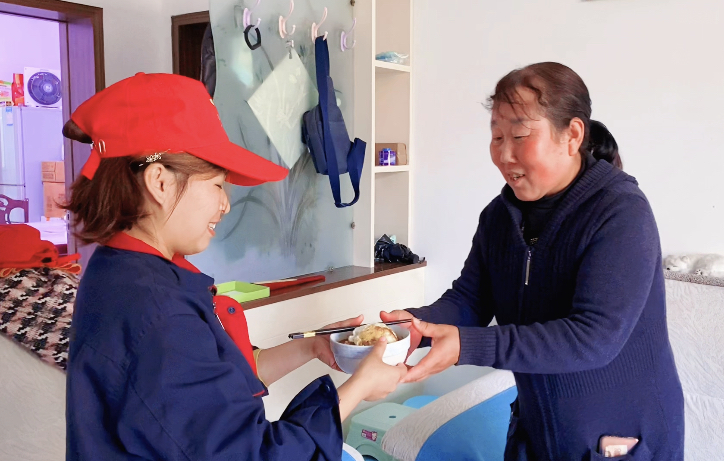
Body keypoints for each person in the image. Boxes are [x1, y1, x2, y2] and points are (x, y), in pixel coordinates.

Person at [62, 73, 406, 460]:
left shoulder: (121, 271)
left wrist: (313, 345)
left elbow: (210, 390)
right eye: (217, 185)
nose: (225, 205)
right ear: (160, 182)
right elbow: (252, 454)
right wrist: (359, 388)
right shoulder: (157, 310)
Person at [381, 62, 684, 460]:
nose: (504, 154)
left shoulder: (621, 212)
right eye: (496, 137)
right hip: (538, 430)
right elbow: (470, 301)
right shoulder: (499, 218)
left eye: (520, 135)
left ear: (572, 135)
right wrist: (410, 327)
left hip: (619, 441)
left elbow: (593, 338)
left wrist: (467, 346)